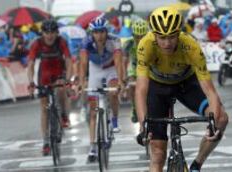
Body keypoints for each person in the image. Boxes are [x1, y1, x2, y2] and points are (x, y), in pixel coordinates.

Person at [135, 7, 228, 172]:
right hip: (157, 89)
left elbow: (209, 90)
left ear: (179, 33)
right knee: (157, 154)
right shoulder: (146, 45)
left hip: (186, 85)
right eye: (162, 37)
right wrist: (143, 125)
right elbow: (140, 89)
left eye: (172, 37)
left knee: (222, 118)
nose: (167, 43)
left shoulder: (191, 46)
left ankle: (196, 166)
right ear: (155, 35)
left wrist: (212, 122)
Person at [78, 16, 125, 162]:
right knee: (93, 111)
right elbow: (83, 63)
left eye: (102, 32)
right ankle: (93, 147)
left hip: (110, 68)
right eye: (96, 32)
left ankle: (115, 120)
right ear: (92, 33)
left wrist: (121, 82)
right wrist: (81, 82)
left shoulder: (114, 40)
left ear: (106, 32)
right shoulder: (86, 42)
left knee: (112, 91)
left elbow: (118, 63)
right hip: (95, 69)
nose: (99, 35)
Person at [27, 19, 72, 156]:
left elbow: (69, 61)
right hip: (44, 74)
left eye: (52, 32)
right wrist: (30, 82)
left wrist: (68, 79)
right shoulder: (37, 43)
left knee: (61, 89)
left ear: (56, 33)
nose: (50, 36)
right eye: (47, 32)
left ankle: (64, 114)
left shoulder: (61, 41)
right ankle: (46, 142)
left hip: (59, 71)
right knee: (44, 108)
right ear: (42, 33)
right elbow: (30, 64)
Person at [123, 19, 149, 123]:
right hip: (134, 66)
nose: (140, 39)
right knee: (131, 84)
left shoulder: (152, 42)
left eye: (143, 36)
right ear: (133, 35)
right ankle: (134, 107)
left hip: (148, 66)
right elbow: (124, 62)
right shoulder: (128, 43)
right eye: (137, 37)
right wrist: (124, 77)